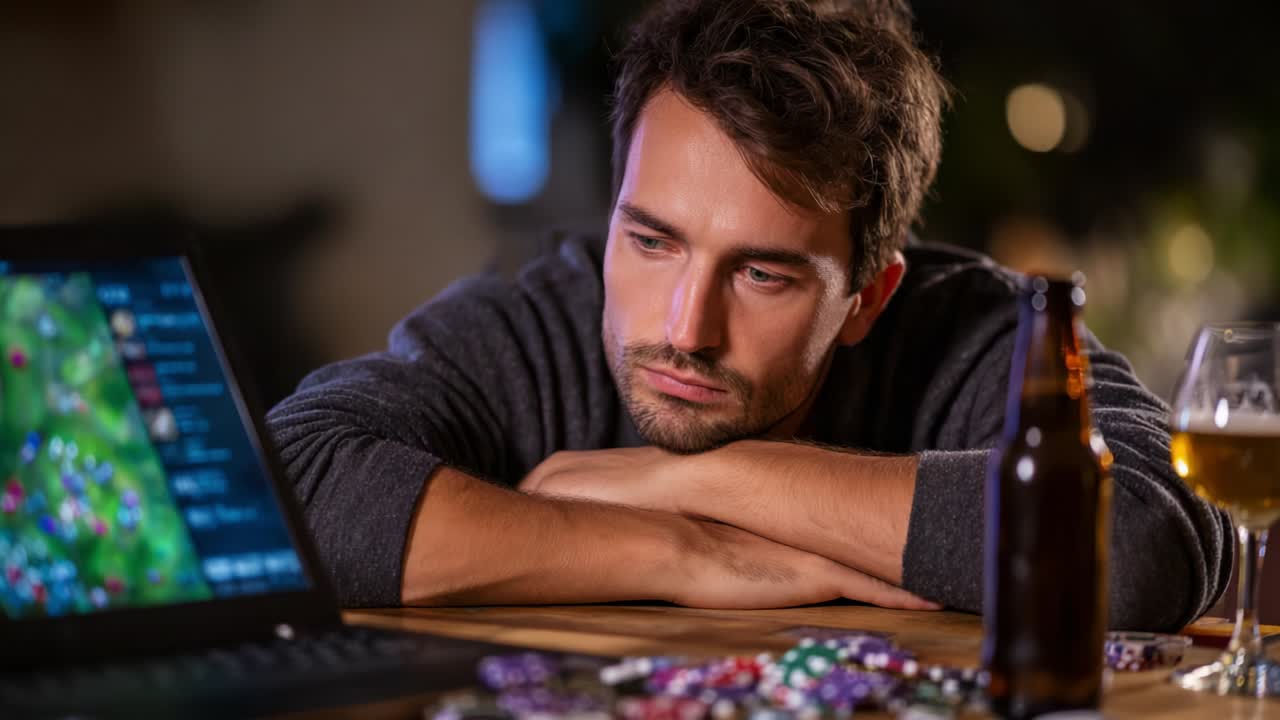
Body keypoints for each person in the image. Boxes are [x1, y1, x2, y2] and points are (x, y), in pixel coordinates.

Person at [266, 0, 1230, 631]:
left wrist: (691, 476)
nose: (685, 328)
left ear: (867, 298)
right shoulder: (540, 321)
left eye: (763, 275)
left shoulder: (983, 332)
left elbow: (1143, 544)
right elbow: (287, 483)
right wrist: (679, 547)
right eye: (652, 241)